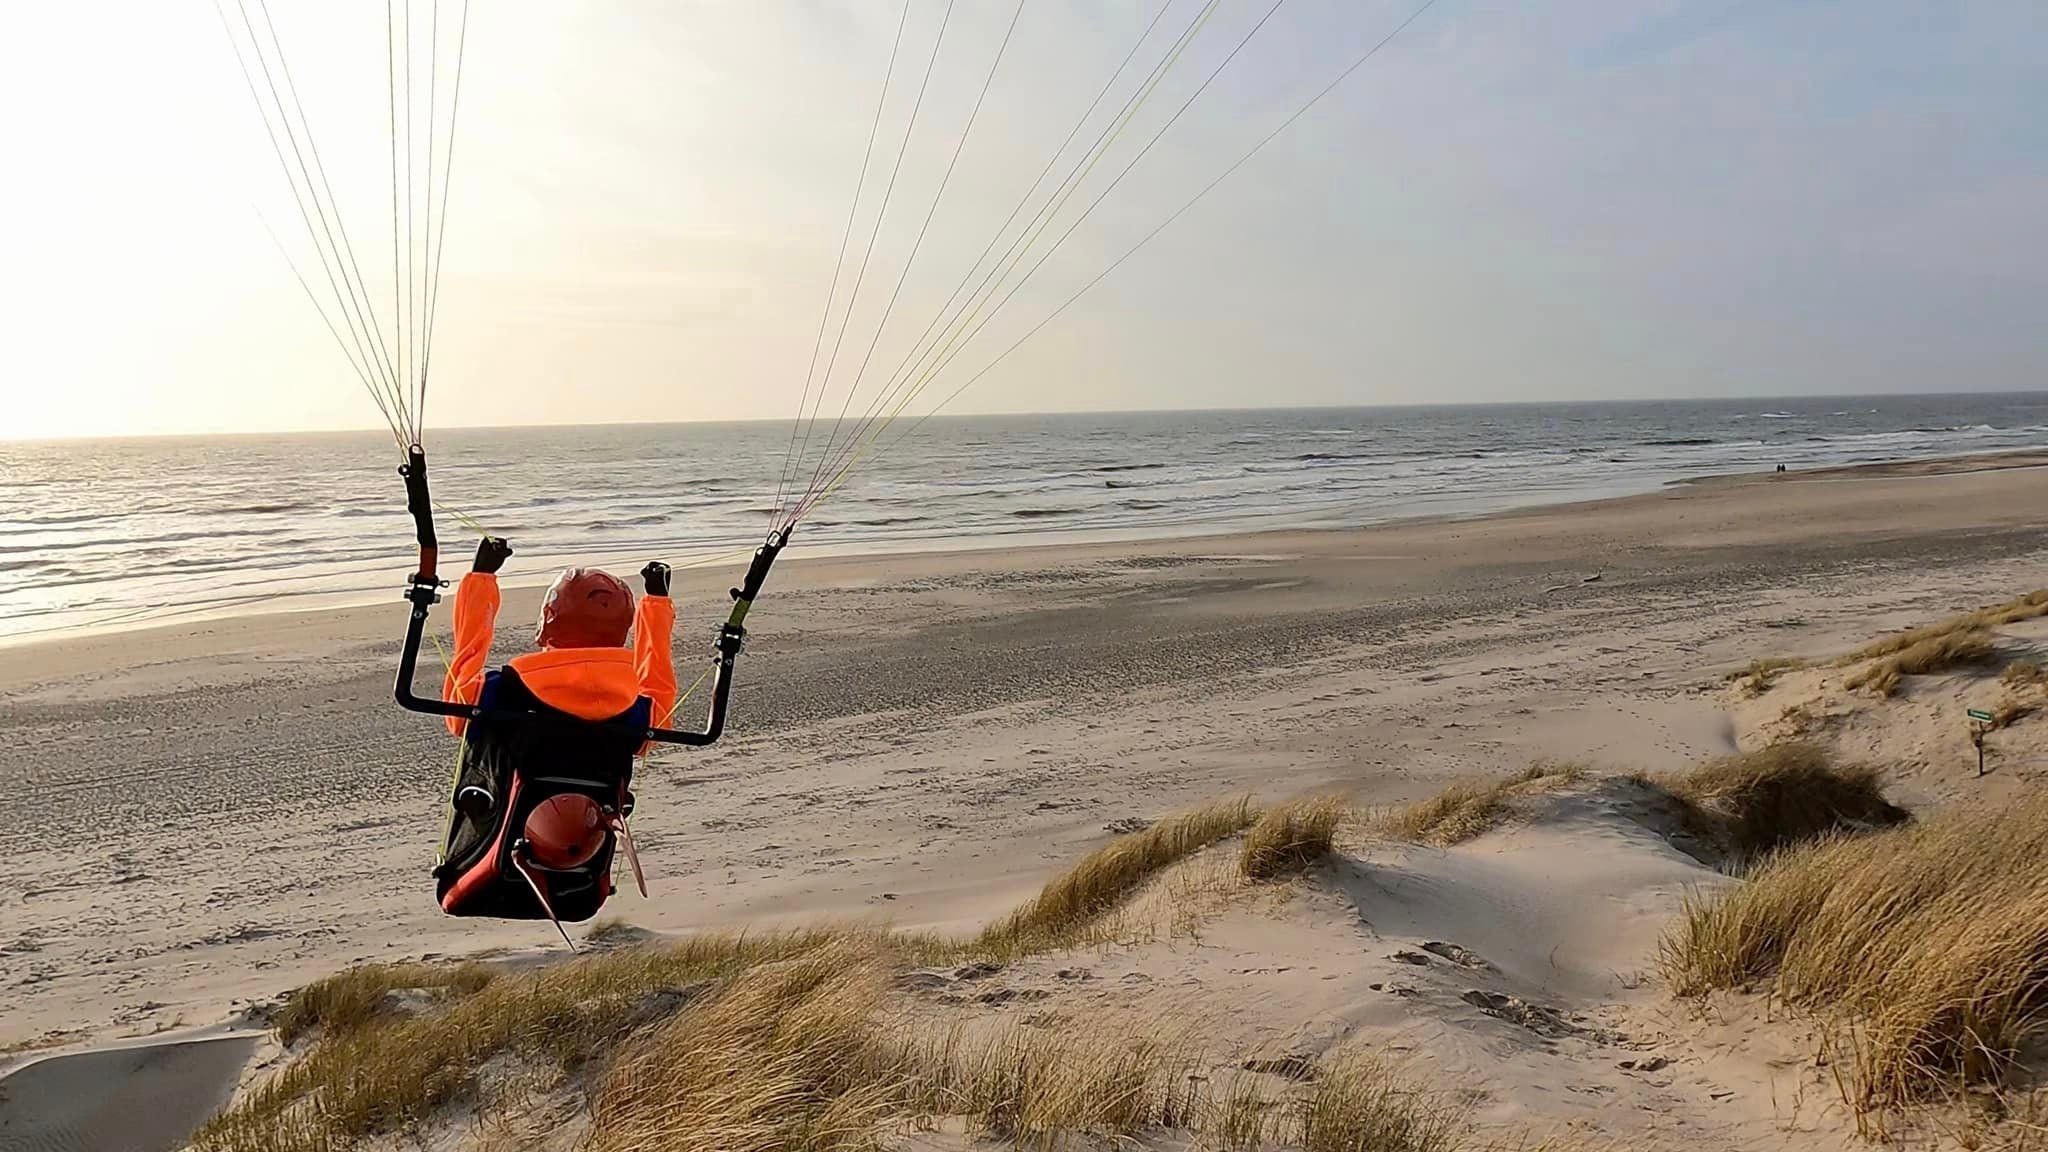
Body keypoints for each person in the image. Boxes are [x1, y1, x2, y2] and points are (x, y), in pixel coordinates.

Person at [442, 536, 679, 739]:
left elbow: (458, 715)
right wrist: (656, 603)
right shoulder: (631, 706)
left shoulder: (506, 689)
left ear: (549, 617)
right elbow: (658, 690)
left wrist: (480, 579)